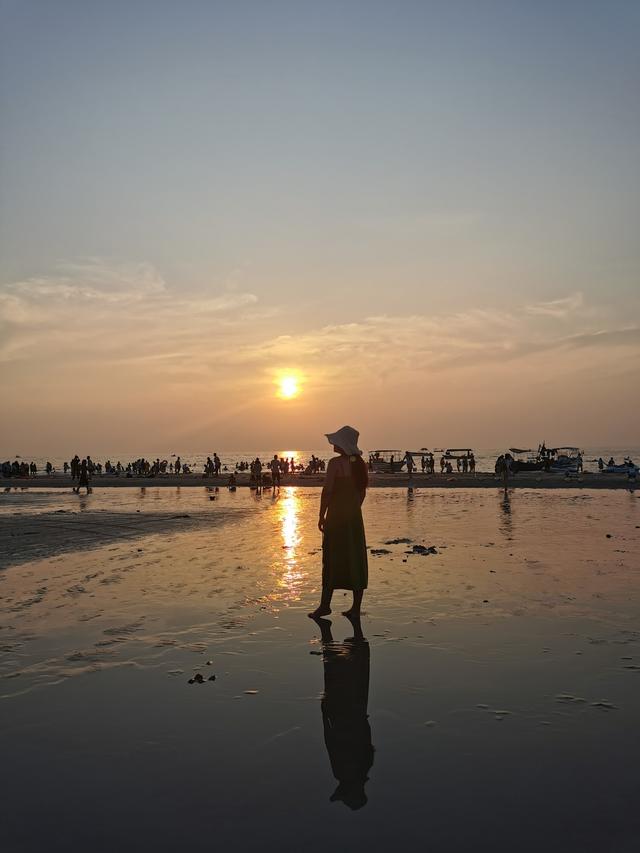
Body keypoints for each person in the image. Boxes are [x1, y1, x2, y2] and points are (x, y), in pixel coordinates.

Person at [313, 615, 374, 810]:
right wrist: (324, 715)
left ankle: (328, 633)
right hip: (348, 713)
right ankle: (328, 633)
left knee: (336, 673)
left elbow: (331, 742)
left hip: (350, 713)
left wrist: (325, 717)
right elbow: (331, 741)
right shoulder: (355, 769)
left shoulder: (353, 769)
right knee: (334, 671)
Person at [309, 426, 368, 619]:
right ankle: (355, 608)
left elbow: (327, 491)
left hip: (336, 516)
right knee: (355, 558)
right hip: (354, 518)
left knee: (332, 557)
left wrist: (321, 515)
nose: (332, 444)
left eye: (335, 442)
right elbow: (361, 494)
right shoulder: (359, 465)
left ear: (341, 444)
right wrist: (353, 508)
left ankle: (325, 605)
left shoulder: (335, 464)